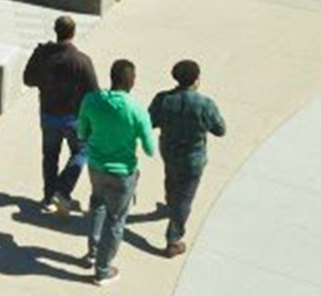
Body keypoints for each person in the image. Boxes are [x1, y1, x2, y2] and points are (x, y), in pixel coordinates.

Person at [77, 58, 155, 285]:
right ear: (131, 81)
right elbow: (150, 149)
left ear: (111, 78)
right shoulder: (137, 110)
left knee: (97, 205)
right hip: (123, 174)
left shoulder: (91, 100)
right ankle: (103, 270)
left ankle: (93, 252)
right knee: (115, 220)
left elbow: (81, 132)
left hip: (96, 167)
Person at [147, 58, 228, 257]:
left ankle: (170, 204)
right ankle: (173, 240)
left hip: (169, 151)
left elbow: (150, 122)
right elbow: (220, 130)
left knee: (171, 178)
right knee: (185, 198)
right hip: (193, 158)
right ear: (196, 80)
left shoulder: (163, 99)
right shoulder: (205, 104)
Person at [23, 15, 100, 216]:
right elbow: (94, 93)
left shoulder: (42, 55)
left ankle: (49, 197)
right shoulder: (82, 61)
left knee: (50, 157)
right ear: (73, 33)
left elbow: (27, 79)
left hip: (48, 115)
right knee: (82, 151)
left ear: (55, 31)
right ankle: (63, 189)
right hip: (73, 118)